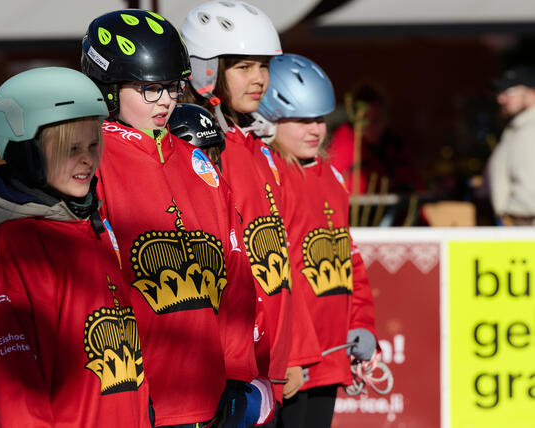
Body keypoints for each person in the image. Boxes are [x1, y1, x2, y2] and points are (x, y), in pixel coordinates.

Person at [81, 10, 262, 428]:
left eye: (172, 87)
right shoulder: (91, 166)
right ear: (108, 90)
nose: (165, 100)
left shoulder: (198, 164)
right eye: (148, 89)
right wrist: (122, 386)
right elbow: (90, 295)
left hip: (208, 398)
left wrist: (236, 372)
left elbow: (235, 277)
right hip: (133, 400)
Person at [0, 67, 152, 427]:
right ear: (27, 153)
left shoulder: (91, 228)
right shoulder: (13, 249)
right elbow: (15, 390)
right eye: (71, 148)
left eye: (93, 145)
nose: (87, 159)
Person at [181, 2, 322, 423]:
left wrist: (292, 351)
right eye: (244, 66)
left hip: (270, 360)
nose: (259, 78)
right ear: (206, 69)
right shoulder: (199, 151)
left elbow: (280, 259)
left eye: (262, 65)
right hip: (228, 367)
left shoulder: (258, 146)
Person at [255, 54, 379, 428]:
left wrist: (362, 321)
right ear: (269, 119)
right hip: (289, 362)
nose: (315, 129)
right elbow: (273, 276)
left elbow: (348, 258)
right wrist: (291, 353)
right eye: (301, 120)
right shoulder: (270, 176)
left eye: (320, 119)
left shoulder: (331, 177)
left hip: (331, 356)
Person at [326, 84, 423, 195]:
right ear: (355, 119)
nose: (371, 125)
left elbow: (416, 186)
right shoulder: (343, 144)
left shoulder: (395, 146)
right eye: (365, 119)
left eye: (377, 119)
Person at [486, 65, 535, 225]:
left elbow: (529, 190)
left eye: (509, 91)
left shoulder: (530, 128)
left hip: (526, 225)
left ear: (531, 92)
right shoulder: (519, 127)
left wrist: (513, 213)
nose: (500, 98)